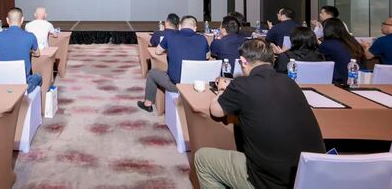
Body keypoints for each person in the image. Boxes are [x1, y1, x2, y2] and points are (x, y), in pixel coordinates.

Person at [195, 39, 325, 189]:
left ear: (243, 61)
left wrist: (222, 89)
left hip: (269, 181)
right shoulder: (290, 82)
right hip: (310, 176)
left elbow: (216, 111)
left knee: (202, 159)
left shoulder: (242, 84)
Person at [137, 16, 209, 112]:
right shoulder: (203, 39)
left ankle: (147, 104)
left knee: (152, 73)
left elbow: (157, 51)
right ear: (195, 28)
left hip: (178, 86)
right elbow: (207, 56)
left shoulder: (170, 36)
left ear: (179, 26)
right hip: (198, 85)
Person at [0, 7, 42, 93]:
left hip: (3, 80)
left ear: (7, 20)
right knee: (38, 76)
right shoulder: (30, 36)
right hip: (23, 82)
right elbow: (37, 53)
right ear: (22, 20)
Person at [318, 18, 365, 84]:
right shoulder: (353, 42)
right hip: (361, 81)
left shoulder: (327, 45)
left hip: (342, 83)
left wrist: (315, 40)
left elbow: (315, 57)